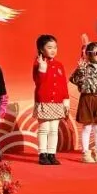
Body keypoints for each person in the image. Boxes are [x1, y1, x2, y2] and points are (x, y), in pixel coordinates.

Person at [69, 42, 97, 163]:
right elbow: (74, 79)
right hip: (87, 99)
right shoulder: (84, 67)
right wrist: (80, 69)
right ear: (89, 54)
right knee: (87, 127)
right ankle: (86, 153)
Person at [33, 34, 70, 165]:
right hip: (44, 101)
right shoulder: (38, 64)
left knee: (54, 129)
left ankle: (51, 154)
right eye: (49, 47)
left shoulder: (59, 65)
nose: (53, 50)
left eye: (55, 47)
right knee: (44, 129)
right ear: (41, 49)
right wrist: (42, 68)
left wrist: (66, 100)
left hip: (58, 102)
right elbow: (39, 82)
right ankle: (42, 154)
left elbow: (63, 83)